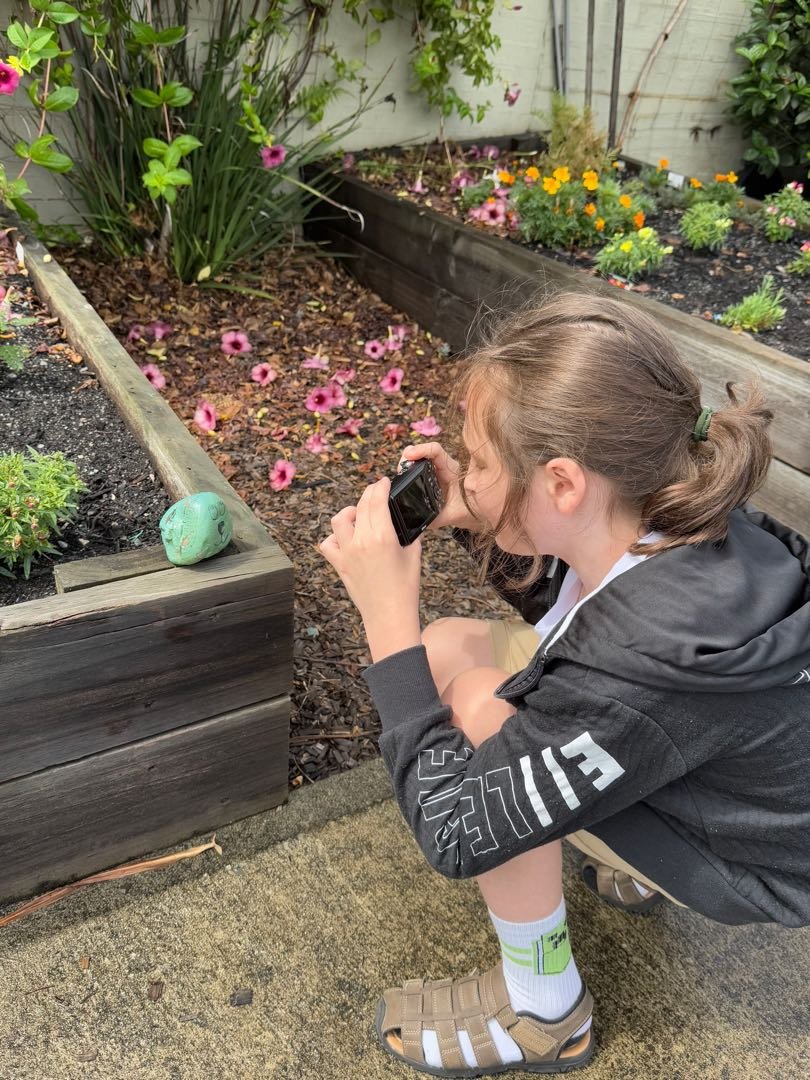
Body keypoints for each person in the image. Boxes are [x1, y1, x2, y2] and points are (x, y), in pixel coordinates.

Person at [317, 291, 810, 1077]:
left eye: (481, 462)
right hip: (719, 773)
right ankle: (615, 828)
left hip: (750, 865)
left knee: (481, 712)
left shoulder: (641, 668)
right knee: (452, 647)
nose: (469, 475)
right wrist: (480, 510)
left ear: (564, 483)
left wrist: (386, 623)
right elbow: (568, 619)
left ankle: (544, 1013)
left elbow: (456, 832)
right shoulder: (676, 514)